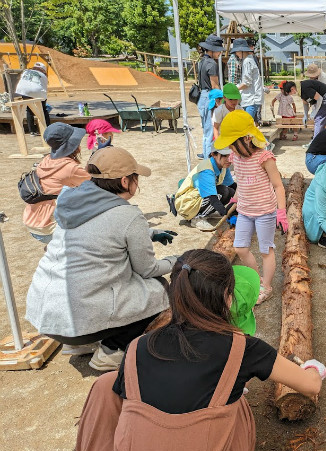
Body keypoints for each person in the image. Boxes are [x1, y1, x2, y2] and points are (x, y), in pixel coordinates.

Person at [75, 249, 326, 451]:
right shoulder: (244, 348)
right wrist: (314, 368)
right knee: (237, 404)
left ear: (175, 293)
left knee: (107, 383)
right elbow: (310, 385)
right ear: (228, 297)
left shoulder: (138, 346)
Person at [26, 147, 177, 370]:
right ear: (126, 181)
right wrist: (178, 259)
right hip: (77, 318)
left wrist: (151, 233)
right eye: (136, 179)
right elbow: (147, 269)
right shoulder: (128, 214)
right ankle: (111, 350)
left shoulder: (71, 200)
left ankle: (81, 344)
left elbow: (97, 232)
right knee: (160, 288)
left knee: (99, 284)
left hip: (47, 315)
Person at [215, 110, 287, 305]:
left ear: (247, 139)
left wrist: (281, 212)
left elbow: (278, 185)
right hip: (246, 211)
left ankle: (268, 287)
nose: (230, 147)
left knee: (266, 250)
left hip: (265, 212)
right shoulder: (235, 158)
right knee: (240, 248)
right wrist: (236, 198)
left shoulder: (265, 158)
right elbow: (243, 182)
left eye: (232, 142)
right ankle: (258, 279)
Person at [22, 122, 90, 244]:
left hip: (31, 221)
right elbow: (96, 184)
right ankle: (57, 250)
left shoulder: (47, 159)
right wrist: (99, 152)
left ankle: (53, 248)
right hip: (48, 228)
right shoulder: (69, 167)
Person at [170, 147, 236, 230]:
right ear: (214, 155)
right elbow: (213, 199)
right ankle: (196, 218)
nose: (229, 159)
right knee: (222, 191)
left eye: (230, 155)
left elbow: (232, 186)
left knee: (230, 192)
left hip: (199, 198)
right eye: (225, 156)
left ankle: (205, 213)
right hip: (187, 203)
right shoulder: (207, 170)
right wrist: (227, 215)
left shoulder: (223, 166)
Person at [197, 34, 223, 159]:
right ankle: (208, 159)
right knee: (211, 131)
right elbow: (215, 85)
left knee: (206, 131)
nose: (220, 53)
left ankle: (205, 154)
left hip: (202, 96)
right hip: (210, 97)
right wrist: (220, 100)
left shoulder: (202, 61)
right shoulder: (212, 64)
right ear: (211, 50)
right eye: (218, 50)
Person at [232, 39, 263, 124]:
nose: (236, 54)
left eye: (236, 52)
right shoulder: (248, 60)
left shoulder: (247, 61)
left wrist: (235, 89)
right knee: (247, 124)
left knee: (246, 124)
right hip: (249, 98)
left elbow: (246, 83)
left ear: (241, 50)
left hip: (252, 98)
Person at [15, 61, 51, 135]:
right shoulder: (43, 75)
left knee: (29, 109)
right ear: (43, 70)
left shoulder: (26, 71)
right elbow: (44, 88)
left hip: (22, 90)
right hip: (36, 90)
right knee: (43, 109)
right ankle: (47, 128)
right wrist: (44, 99)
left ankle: (32, 131)